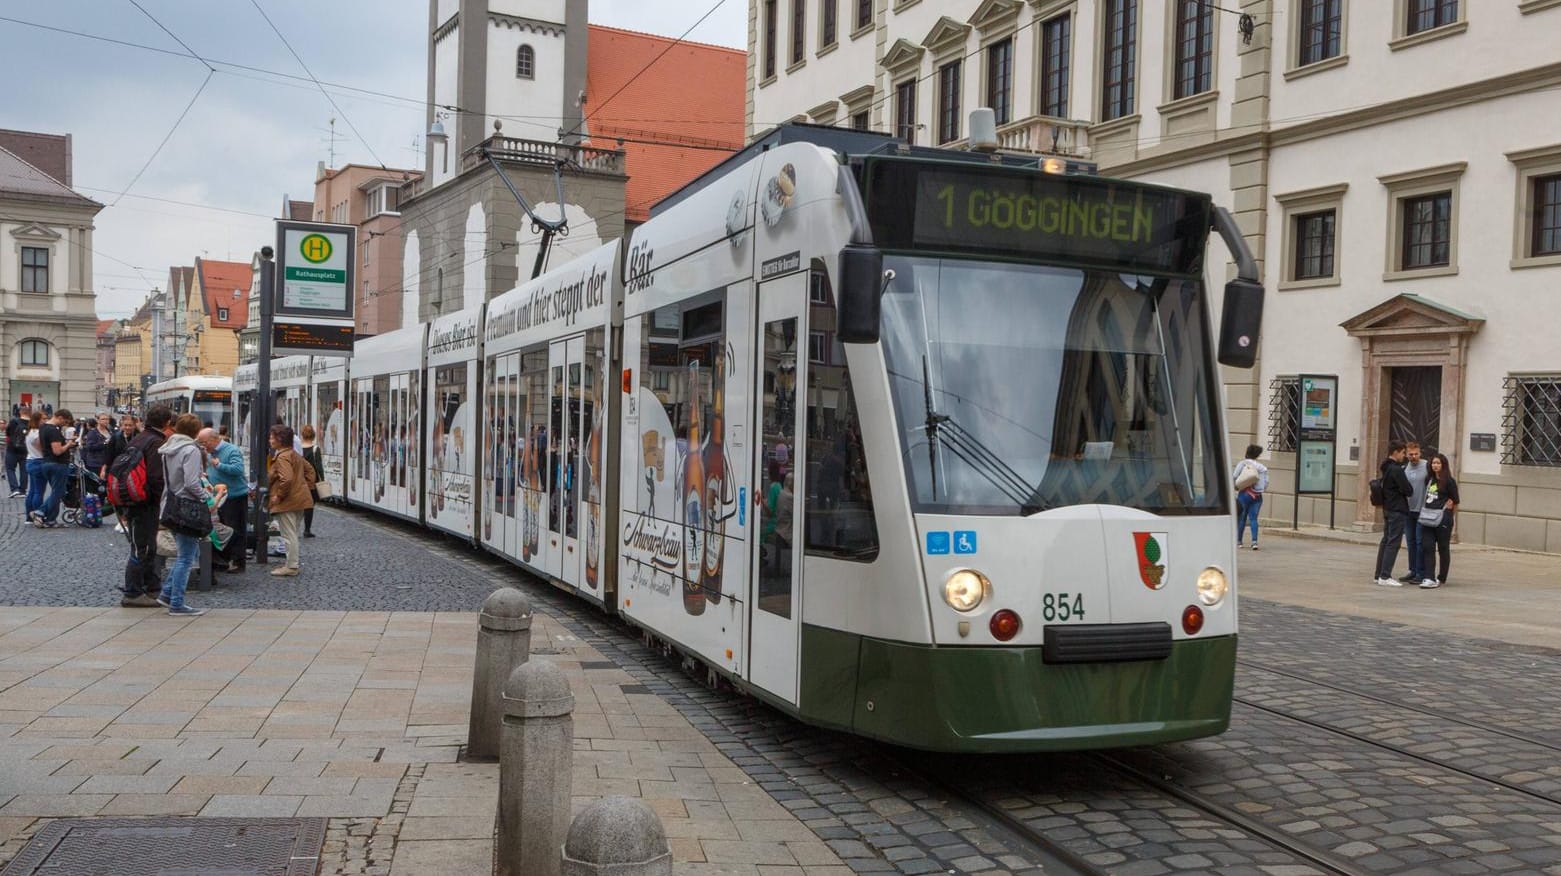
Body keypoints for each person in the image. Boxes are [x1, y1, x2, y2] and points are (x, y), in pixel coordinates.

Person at [120, 404, 174, 607]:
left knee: (146, 546)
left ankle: (151, 587)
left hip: (132, 499)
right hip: (145, 502)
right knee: (142, 548)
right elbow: (156, 477)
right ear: (167, 422)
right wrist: (163, 499)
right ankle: (133, 592)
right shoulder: (155, 442)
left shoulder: (138, 438)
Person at [157, 413, 210, 616]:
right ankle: (177, 603)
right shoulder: (191, 450)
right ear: (196, 431)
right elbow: (191, 482)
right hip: (187, 506)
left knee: (189, 553)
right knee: (186, 557)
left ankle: (167, 594)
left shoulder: (169, 449)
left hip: (170, 504)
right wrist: (204, 496)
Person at [267, 424, 314, 577]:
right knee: (293, 532)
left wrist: (278, 496)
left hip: (288, 501)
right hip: (300, 499)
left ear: (279, 440)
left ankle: (292, 566)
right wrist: (304, 486)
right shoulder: (294, 454)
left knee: (288, 534)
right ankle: (290, 562)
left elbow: (286, 479)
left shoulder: (282, 457)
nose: (270, 440)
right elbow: (310, 470)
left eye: (272, 438)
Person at [199, 427, 248, 573]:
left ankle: (239, 561)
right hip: (217, 497)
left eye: (204, 442)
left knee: (235, 530)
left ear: (214, 439)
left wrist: (219, 465)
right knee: (220, 529)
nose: (203, 445)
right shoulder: (208, 453)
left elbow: (238, 469)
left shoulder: (231, 450)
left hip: (234, 497)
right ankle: (222, 560)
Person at [1373, 440, 1414, 587]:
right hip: (1397, 509)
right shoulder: (1396, 469)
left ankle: (1379, 574)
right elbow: (1408, 490)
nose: (1404, 456)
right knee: (1393, 543)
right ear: (1396, 452)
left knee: (1386, 541)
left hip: (1387, 508)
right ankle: (1385, 575)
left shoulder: (1386, 466)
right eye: (1403, 453)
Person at [1417, 452, 1460, 589]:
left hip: (1443, 519)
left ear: (1443, 465)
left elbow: (1455, 501)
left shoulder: (1449, 481)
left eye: (1438, 463)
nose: (1435, 466)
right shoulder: (1429, 480)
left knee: (1443, 548)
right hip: (1428, 518)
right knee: (1427, 547)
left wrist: (1450, 517)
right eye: (1433, 463)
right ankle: (1429, 577)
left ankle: (1441, 577)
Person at [31, 409, 78, 528]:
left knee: (56, 492)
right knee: (59, 492)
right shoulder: (53, 431)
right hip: (57, 464)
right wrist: (69, 444)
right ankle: (40, 511)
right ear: (60, 417)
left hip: (46, 463)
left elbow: (37, 444)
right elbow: (57, 451)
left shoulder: (43, 428)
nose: (65, 424)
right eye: (65, 421)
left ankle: (51, 520)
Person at [1400, 442, 1429, 584]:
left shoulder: (1427, 466)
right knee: (1410, 542)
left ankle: (1420, 572)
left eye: (1416, 454)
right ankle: (1412, 570)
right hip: (1408, 510)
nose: (1414, 457)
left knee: (1419, 542)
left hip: (1422, 510)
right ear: (1406, 454)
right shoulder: (1404, 468)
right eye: (1411, 454)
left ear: (1420, 453)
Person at [1233, 444, 1268, 551]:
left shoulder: (1243, 463)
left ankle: (1239, 541)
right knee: (1253, 519)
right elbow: (1266, 483)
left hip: (1244, 494)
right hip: (1257, 496)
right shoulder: (1262, 467)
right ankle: (1254, 542)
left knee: (1242, 518)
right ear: (1257, 455)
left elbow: (1234, 476)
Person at [300, 424, 323, 538]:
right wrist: (322, 480)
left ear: (302, 435)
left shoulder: (298, 448)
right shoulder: (315, 449)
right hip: (311, 482)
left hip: (300, 480)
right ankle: (307, 529)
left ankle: (295, 526)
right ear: (313, 435)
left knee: (300, 504)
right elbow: (319, 467)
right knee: (309, 505)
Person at [22, 411, 46, 521]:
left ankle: (29, 516)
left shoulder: (30, 431)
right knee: (38, 492)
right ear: (38, 420)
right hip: (38, 461)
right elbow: (41, 448)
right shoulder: (37, 433)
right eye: (43, 419)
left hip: (30, 460)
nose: (45, 421)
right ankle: (37, 515)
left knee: (32, 491)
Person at [4, 405, 29, 498]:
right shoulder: (31, 422)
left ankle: (14, 489)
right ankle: (23, 490)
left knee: (10, 469)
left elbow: (8, 433)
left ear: (20, 412)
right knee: (24, 470)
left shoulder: (14, 421)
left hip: (12, 449)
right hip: (26, 450)